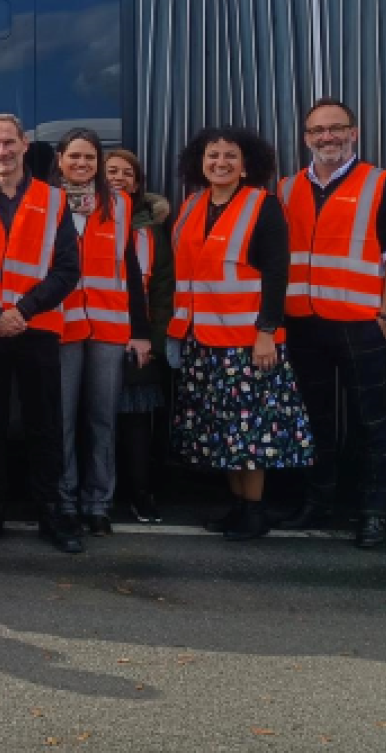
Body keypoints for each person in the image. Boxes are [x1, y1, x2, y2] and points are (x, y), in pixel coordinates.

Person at [274, 99, 386, 548]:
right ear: (306, 138)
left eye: (336, 128)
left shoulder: (383, 184)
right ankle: (317, 502)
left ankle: (372, 512)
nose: (327, 137)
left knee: (372, 421)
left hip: (362, 325)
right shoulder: (286, 189)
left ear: (353, 133)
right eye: (317, 130)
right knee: (313, 419)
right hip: (303, 324)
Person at [168, 126, 313, 543]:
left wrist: (267, 332)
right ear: (200, 163)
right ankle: (237, 506)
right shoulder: (191, 206)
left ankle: (255, 510)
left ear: (246, 165)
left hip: (247, 342)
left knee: (249, 434)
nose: (221, 162)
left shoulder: (262, 205)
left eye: (231, 156)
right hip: (201, 340)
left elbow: (277, 273)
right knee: (220, 432)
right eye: (212, 155)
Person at [0, 114, 83, 553]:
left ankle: (51, 514)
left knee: (45, 425)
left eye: (8, 142)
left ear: (24, 144)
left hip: (37, 327)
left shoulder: (54, 200)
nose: (1, 152)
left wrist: (21, 311)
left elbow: (68, 269)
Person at [48, 129, 153, 537]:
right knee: (62, 420)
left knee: (102, 419)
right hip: (62, 326)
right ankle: (65, 501)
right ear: (60, 160)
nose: (81, 164)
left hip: (109, 327)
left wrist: (140, 330)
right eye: (74, 156)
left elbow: (131, 270)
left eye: (89, 158)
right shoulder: (46, 202)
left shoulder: (120, 205)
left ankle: (98, 504)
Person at [103, 149, 174, 525]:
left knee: (136, 424)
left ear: (137, 183)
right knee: (94, 421)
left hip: (139, 340)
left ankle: (141, 494)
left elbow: (162, 290)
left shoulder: (153, 231)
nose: (118, 178)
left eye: (126, 173)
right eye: (111, 171)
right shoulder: (81, 218)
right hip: (94, 333)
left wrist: (153, 341)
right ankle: (97, 495)